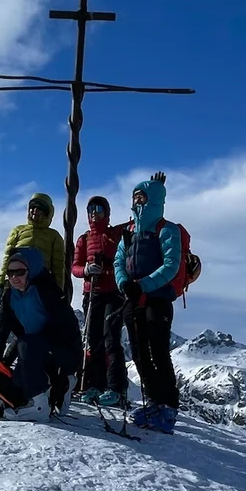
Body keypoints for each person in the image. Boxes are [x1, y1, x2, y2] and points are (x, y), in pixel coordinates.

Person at [114, 172, 184, 432]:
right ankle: (154, 402)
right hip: (134, 297)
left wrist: (140, 285)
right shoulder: (129, 231)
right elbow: (119, 261)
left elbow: (171, 266)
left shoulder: (167, 230)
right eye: (134, 197)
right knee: (140, 353)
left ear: (153, 199)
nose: (136, 202)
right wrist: (124, 283)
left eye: (141, 197)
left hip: (157, 298)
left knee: (158, 352)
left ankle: (167, 407)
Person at [0, 245, 83, 418]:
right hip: (36, 350)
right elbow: (2, 329)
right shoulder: (10, 296)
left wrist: (29, 344)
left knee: (27, 345)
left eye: (20, 272)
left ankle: (39, 405)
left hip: (65, 351)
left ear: (31, 270)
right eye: (10, 273)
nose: (14, 277)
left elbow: (66, 327)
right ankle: (60, 388)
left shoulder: (47, 290)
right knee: (17, 387)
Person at [71, 195, 131, 407]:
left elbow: (134, 223)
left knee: (111, 340)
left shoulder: (115, 234)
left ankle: (115, 388)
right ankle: (94, 385)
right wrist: (86, 270)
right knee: (95, 341)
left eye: (99, 209)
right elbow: (75, 267)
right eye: (91, 209)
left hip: (113, 294)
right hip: (92, 294)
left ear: (106, 212)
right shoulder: (84, 239)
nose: (94, 212)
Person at [0, 193, 66, 294]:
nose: (35, 211)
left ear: (47, 212)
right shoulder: (18, 231)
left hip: (40, 285)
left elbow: (58, 267)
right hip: (15, 281)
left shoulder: (54, 236)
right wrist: (1, 282)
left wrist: (58, 291)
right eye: (32, 207)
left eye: (40, 209)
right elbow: (7, 257)